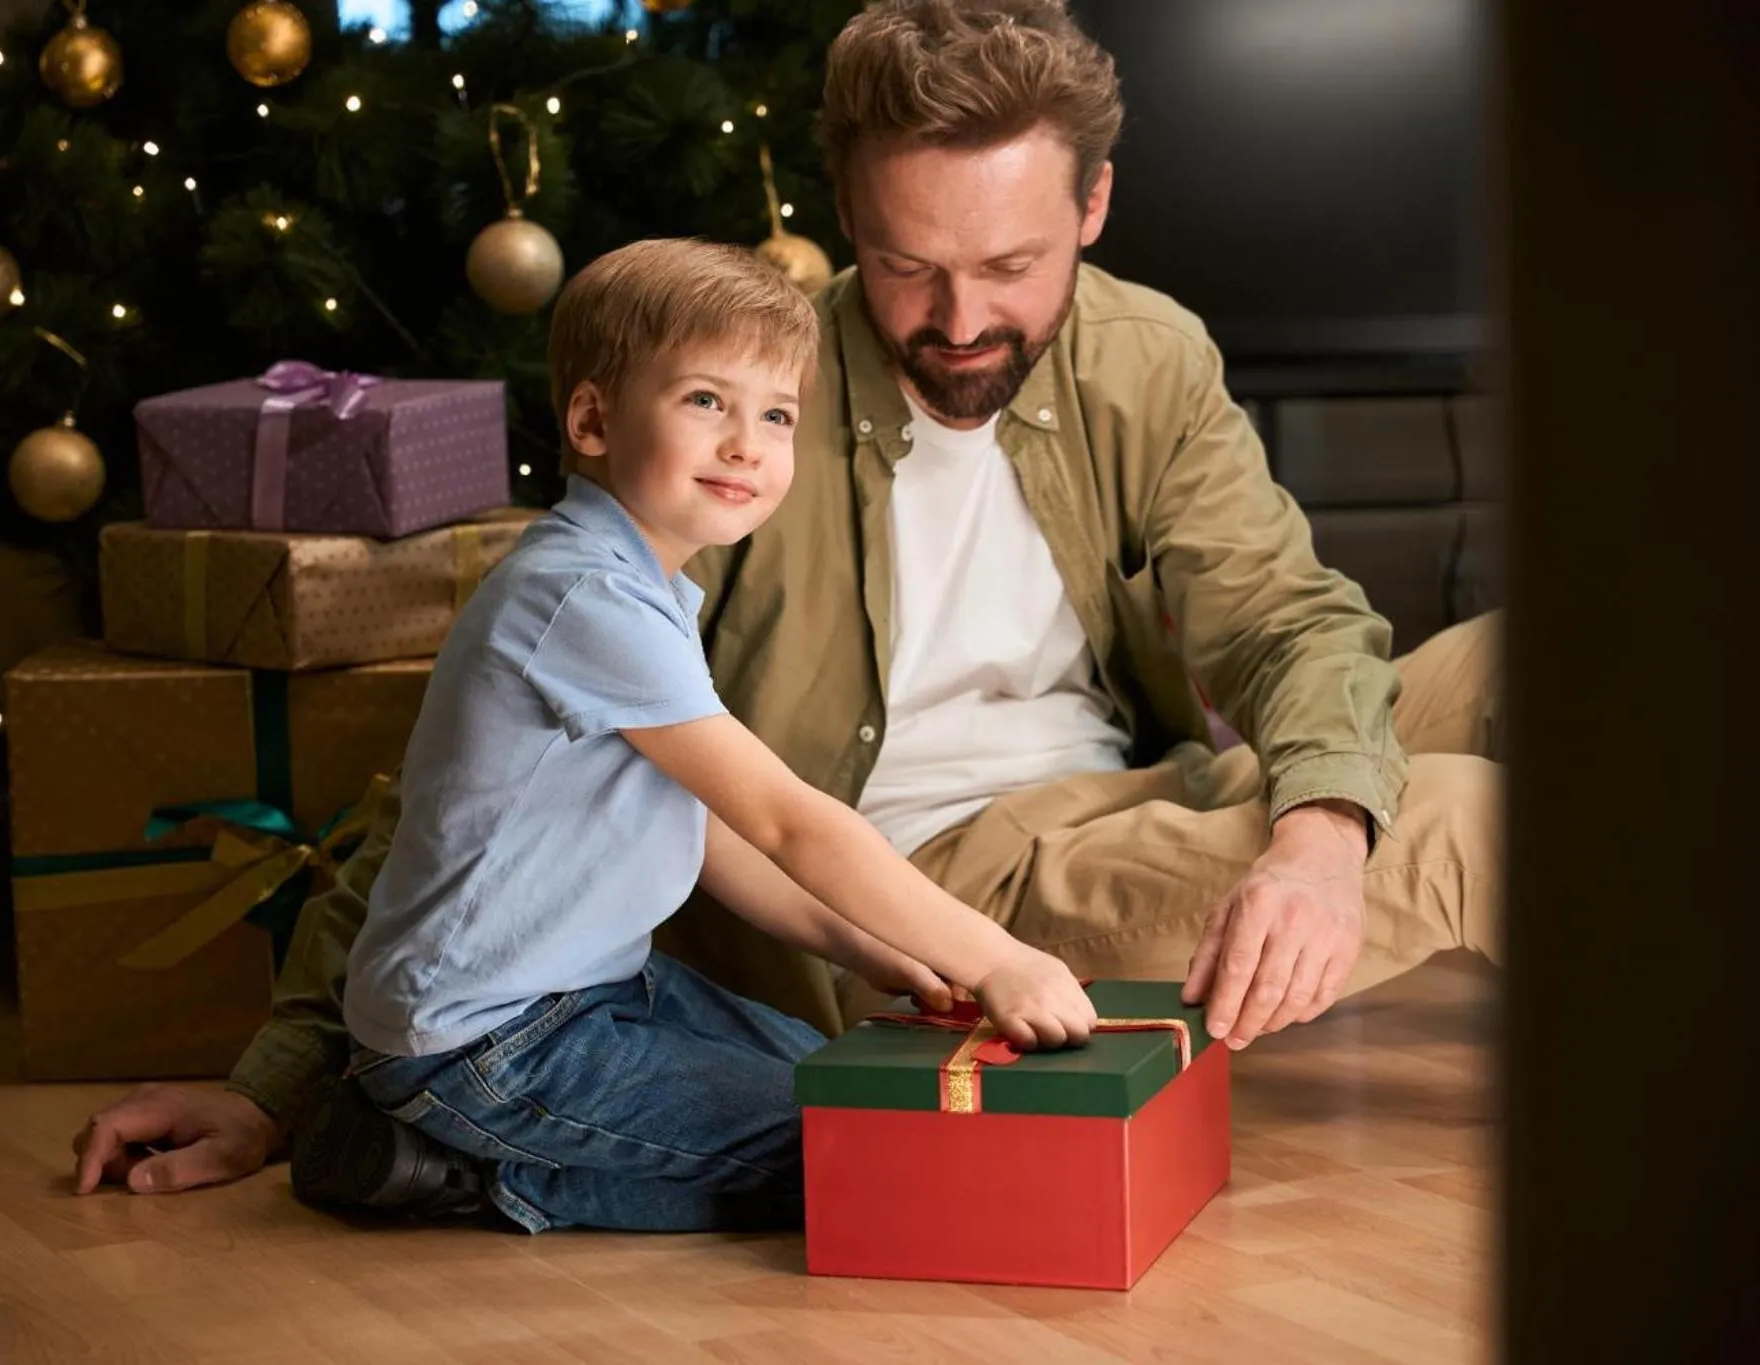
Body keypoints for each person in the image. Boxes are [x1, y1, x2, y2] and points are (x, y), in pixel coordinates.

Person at [73, 0, 1500, 1204]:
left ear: (1094, 203)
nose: (956, 322)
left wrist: (1318, 841)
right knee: (1468, 823)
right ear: (846, 216)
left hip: (1128, 796)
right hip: (929, 896)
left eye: (1011, 267)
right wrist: (276, 1084)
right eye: (903, 265)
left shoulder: (1146, 355)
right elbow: (473, 778)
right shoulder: (738, 418)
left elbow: (1284, 618)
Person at [277, 237, 1098, 1231]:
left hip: (592, 992)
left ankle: (460, 1151)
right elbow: (786, 822)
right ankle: (455, 1168)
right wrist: (991, 957)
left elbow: (705, 834)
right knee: (858, 1141)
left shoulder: (647, 585)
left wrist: (864, 945)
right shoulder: (580, 590)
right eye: (706, 402)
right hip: (480, 1042)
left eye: (776, 414)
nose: (747, 443)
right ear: (591, 420)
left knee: (827, 1071)